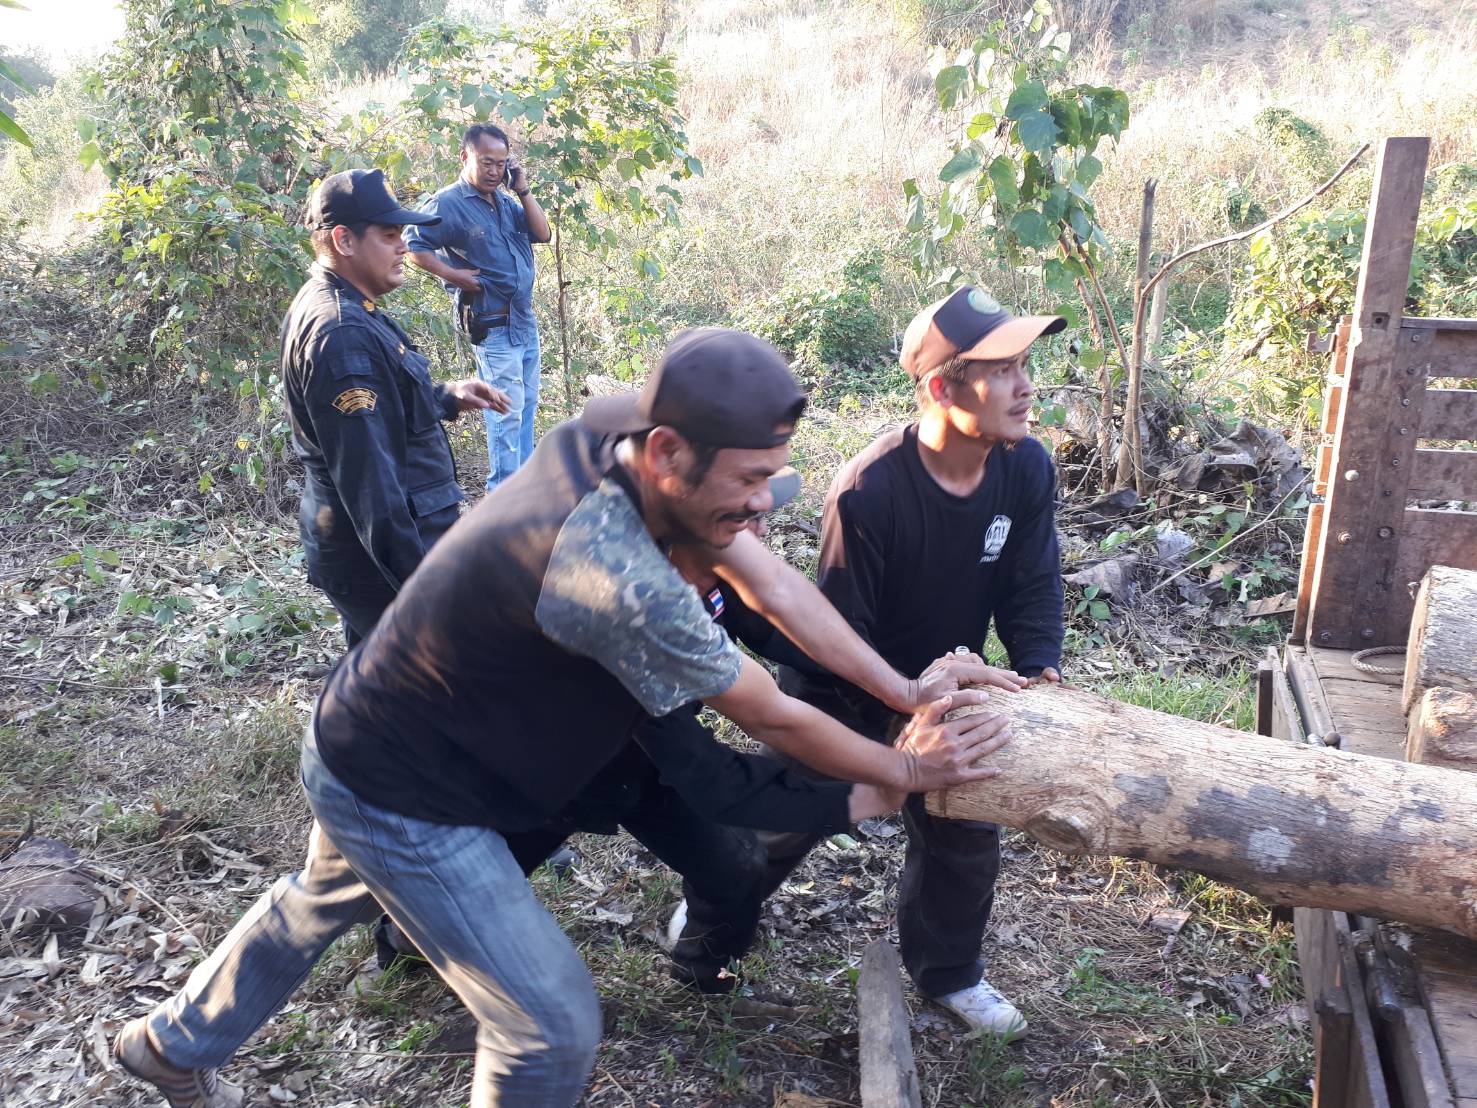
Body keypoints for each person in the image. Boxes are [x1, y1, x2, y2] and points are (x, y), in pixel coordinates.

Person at [112, 327, 1015, 1108]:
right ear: (669, 452)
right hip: (405, 788)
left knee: (314, 903)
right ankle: (174, 1046)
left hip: (371, 728)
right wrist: (902, 772)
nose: (758, 503)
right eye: (746, 480)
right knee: (547, 1027)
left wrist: (902, 692)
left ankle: (165, 1048)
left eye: (769, 478)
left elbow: (770, 583)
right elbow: (768, 713)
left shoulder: (614, 432)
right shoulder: (612, 574)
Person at [760, 286, 1068, 1040]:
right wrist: (899, 723)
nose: (1026, 387)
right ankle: (711, 915)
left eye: (1025, 366)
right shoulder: (870, 493)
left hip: (945, 685)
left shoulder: (1025, 467)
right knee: (785, 821)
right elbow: (836, 635)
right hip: (843, 688)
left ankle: (949, 973)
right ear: (942, 388)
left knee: (965, 828)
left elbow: (1031, 579)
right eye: (1002, 371)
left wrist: (1040, 669)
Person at [280, 167, 508, 647]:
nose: (404, 247)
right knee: (434, 676)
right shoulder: (341, 334)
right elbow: (373, 489)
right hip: (384, 556)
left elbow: (382, 410)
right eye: (389, 236)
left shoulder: (343, 306)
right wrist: (421, 594)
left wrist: (445, 397)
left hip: (374, 547)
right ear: (344, 240)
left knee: (375, 677)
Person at [404, 122, 551, 491]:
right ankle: (502, 496)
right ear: (465, 157)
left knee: (526, 407)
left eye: (501, 164)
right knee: (506, 412)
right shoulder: (448, 203)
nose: (494, 171)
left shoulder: (506, 201)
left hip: (523, 321)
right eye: (487, 162)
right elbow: (412, 244)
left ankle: (523, 492)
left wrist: (523, 189)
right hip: (492, 324)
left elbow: (543, 233)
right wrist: (452, 274)